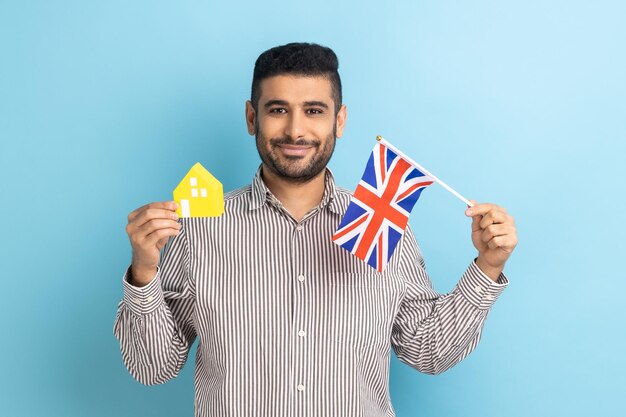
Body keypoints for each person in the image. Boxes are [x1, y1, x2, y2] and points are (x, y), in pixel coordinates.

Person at [114, 42, 518, 417]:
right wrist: (144, 271)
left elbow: (429, 351)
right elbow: (154, 368)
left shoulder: (380, 223)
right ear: (252, 118)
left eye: (313, 110)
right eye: (277, 110)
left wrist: (487, 267)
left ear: (339, 120)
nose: (295, 131)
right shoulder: (199, 230)